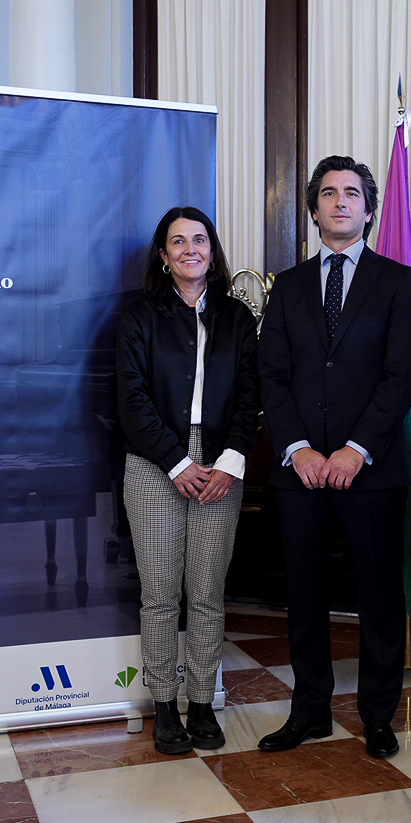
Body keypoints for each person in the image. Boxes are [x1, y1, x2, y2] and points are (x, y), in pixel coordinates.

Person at [256, 155, 411, 760]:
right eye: (328, 193)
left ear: (370, 210)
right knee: (304, 595)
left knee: (379, 598)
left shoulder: (397, 280)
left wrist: (355, 450)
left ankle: (378, 716)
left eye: (352, 193)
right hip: (300, 474)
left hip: (371, 472)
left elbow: (402, 376)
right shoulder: (289, 285)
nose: (340, 202)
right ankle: (310, 711)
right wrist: (298, 449)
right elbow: (271, 376)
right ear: (314, 209)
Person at [117, 207, 260, 754]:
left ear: (213, 251)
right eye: (177, 242)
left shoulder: (238, 319)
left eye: (199, 240)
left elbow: (252, 399)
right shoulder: (138, 319)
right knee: (160, 596)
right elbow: (131, 402)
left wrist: (228, 462)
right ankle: (164, 707)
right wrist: (178, 462)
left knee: (205, 593)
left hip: (221, 464)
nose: (189, 250)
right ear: (163, 255)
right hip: (156, 464)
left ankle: (201, 703)